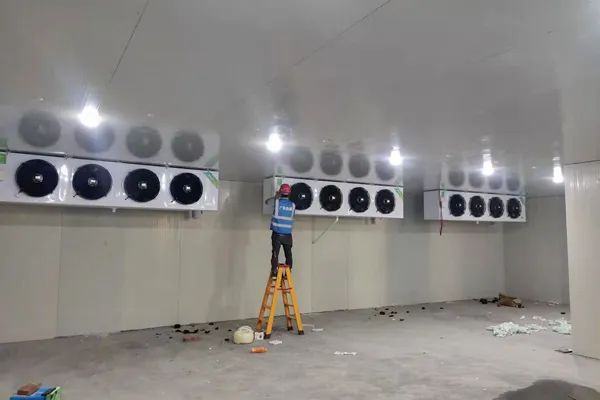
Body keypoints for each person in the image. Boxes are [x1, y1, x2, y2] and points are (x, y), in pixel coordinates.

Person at [265, 183, 295, 276]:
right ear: (289, 193)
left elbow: (267, 202)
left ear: (280, 192)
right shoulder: (293, 205)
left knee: (275, 253)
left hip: (277, 234)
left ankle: (274, 271)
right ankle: (288, 272)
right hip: (288, 235)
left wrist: (276, 196)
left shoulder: (276, 202)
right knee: (288, 254)